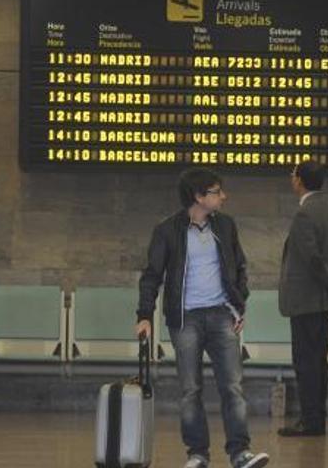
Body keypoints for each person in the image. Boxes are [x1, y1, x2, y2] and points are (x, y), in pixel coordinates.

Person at [135, 168, 269, 468]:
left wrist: (239, 305)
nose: (223, 196)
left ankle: (240, 453)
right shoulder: (167, 230)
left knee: (232, 386)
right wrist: (144, 314)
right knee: (190, 389)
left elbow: (240, 267)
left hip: (221, 315)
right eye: (216, 191)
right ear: (198, 197)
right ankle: (197, 454)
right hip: (185, 320)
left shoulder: (226, 226)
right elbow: (152, 276)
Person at [277, 160, 328, 437]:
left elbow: (312, 260)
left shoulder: (306, 214)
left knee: (306, 362)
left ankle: (310, 422)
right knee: (318, 360)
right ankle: (316, 419)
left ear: (300, 181)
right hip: (323, 301)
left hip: (306, 301)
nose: (291, 178)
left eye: (293, 174)